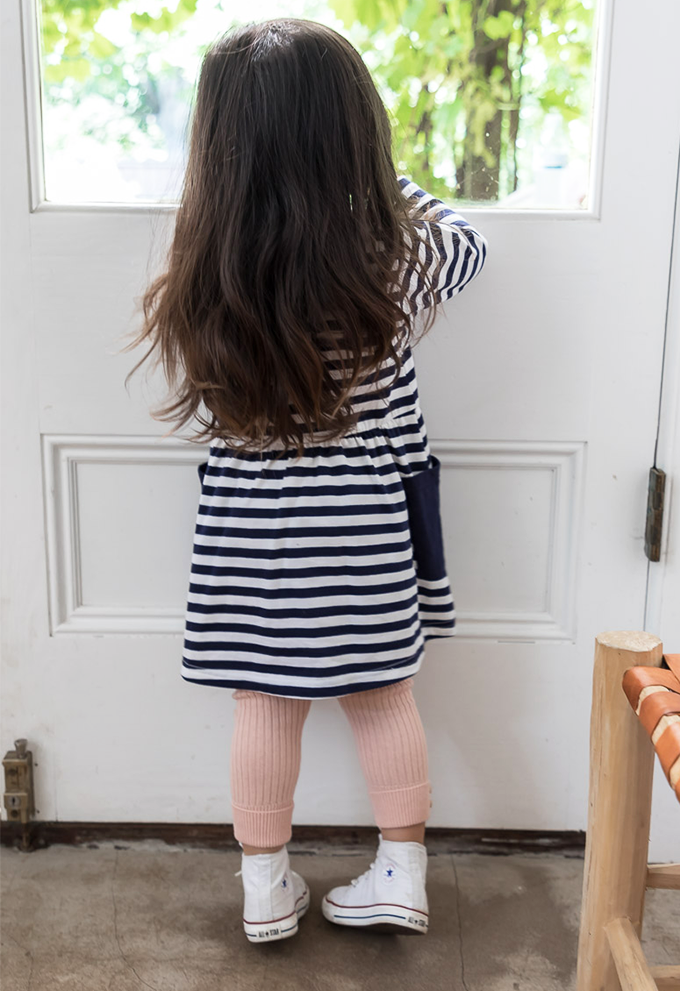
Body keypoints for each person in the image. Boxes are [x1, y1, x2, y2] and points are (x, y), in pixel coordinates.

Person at [133, 19, 486, 940]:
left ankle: (264, 888)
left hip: (250, 529)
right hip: (366, 525)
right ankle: (403, 870)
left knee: (264, 697)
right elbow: (468, 240)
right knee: (383, 694)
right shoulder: (392, 261)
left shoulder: (205, 268)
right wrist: (378, 191)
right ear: (355, 136)